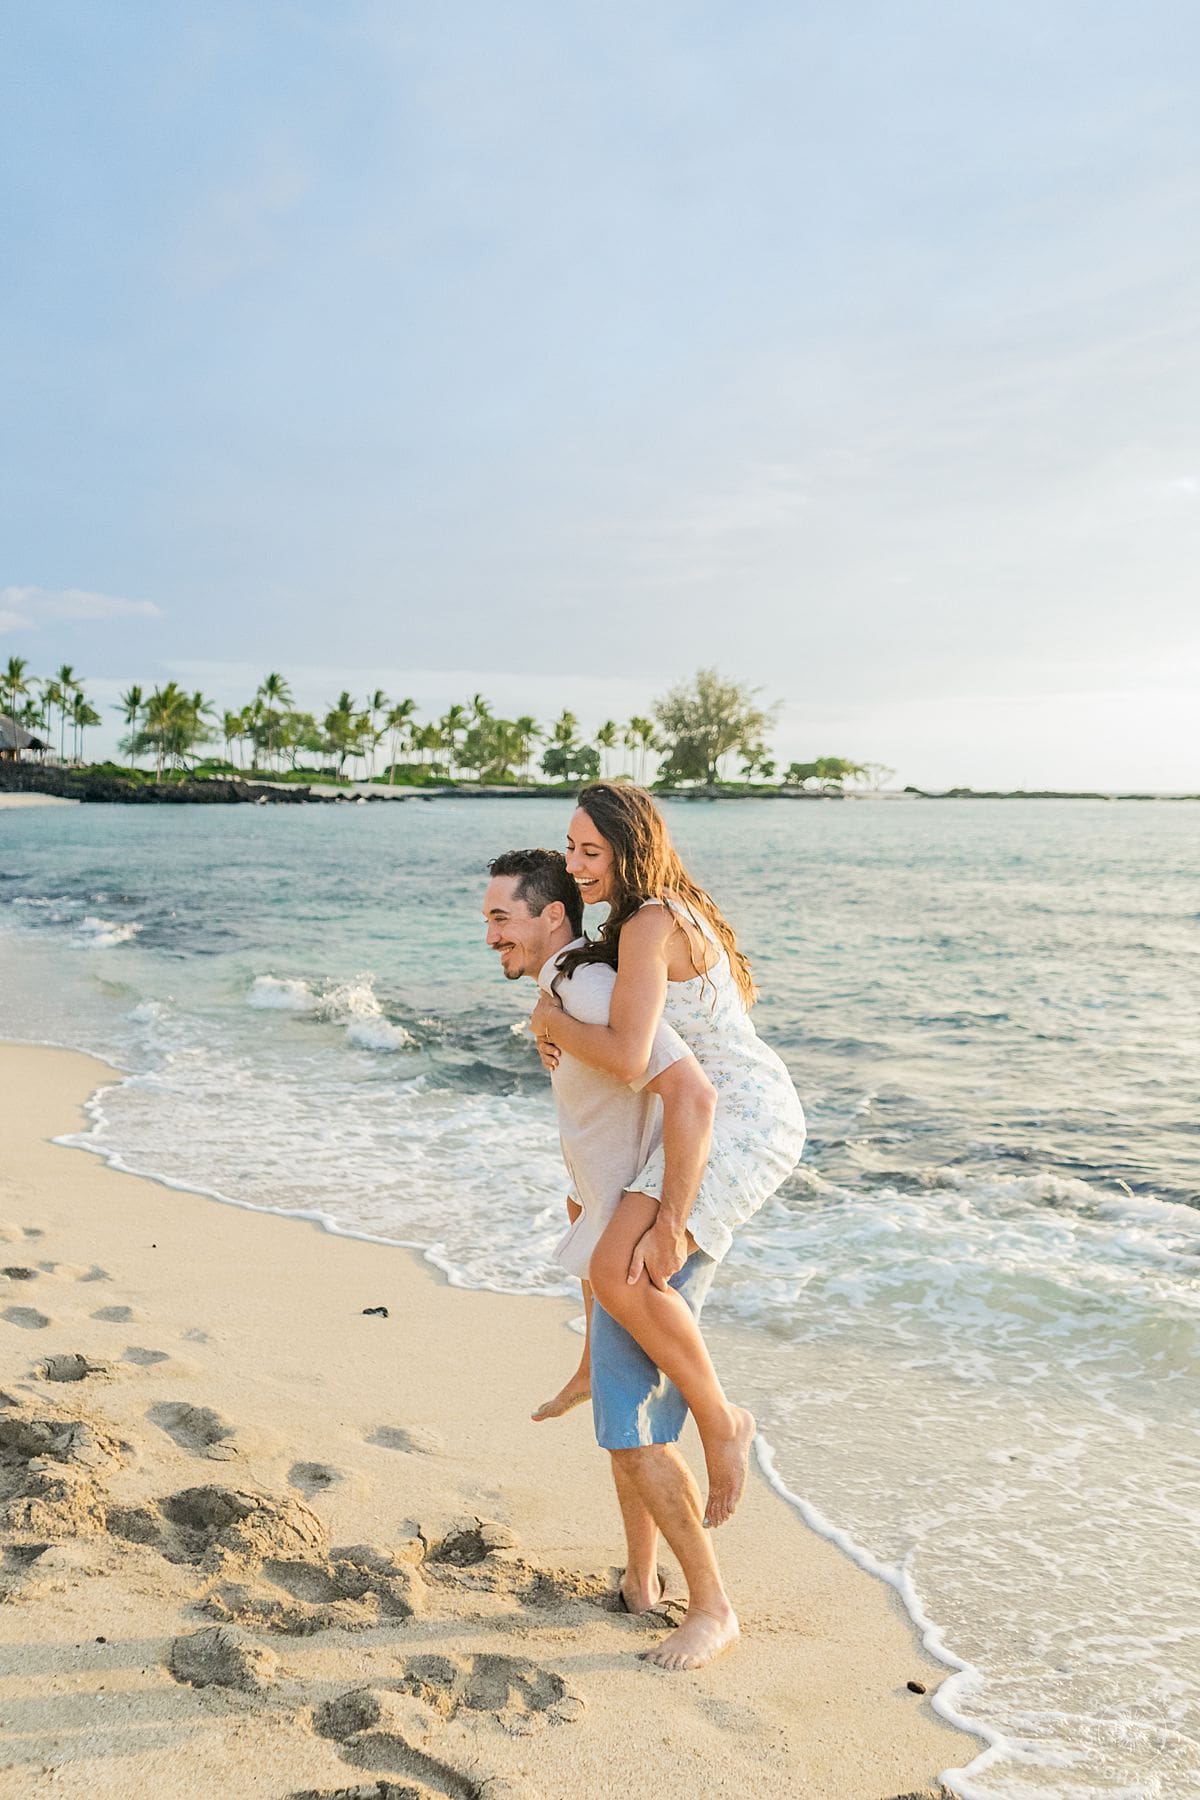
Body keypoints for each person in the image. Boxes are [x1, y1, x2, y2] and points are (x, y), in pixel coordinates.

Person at [483, 848, 740, 1670]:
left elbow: (686, 1089)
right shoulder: (569, 993)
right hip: (615, 1225)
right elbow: (600, 1136)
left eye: (500, 918)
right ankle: (641, 1582)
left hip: (650, 1234)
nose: (489, 935)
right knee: (622, 1422)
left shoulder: (587, 989)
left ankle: (713, 1605)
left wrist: (667, 1221)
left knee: (633, 1434)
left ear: (551, 915)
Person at [529, 783, 806, 1527]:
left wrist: (548, 1018)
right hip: (721, 1112)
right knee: (615, 1267)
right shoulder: (663, 913)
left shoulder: (652, 922)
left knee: (624, 1270)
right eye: (571, 848)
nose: (576, 865)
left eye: (592, 850)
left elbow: (625, 1054)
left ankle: (723, 1421)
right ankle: (668, 1424)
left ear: (630, 848)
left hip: (738, 1117)